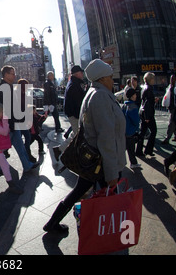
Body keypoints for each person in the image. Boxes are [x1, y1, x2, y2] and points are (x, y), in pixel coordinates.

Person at [43, 59, 126, 233]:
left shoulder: (94, 92)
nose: (113, 80)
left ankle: (53, 224)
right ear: (102, 79)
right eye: (110, 77)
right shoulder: (100, 96)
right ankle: (102, 231)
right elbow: (106, 136)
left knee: (79, 191)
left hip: (95, 158)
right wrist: (112, 172)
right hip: (101, 161)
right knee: (101, 196)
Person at [0, 65, 38, 173]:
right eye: (12, 73)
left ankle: (27, 165)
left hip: (12, 123)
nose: (14, 75)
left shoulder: (8, 86)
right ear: (6, 74)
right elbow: (7, 109)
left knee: (18, 147)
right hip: (9, 124)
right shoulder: (4, 88)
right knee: (1, 148)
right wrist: (11, 124)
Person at [52, 65, 86, 161]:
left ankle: (59, 150)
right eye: (81, 72)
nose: (82, 74)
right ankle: (71, 155)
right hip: (75, 114)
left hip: (74, 114)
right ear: (77, 73)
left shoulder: (74, 83)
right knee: (78, 135)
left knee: (75, 134)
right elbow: (78, 102)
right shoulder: (75, 84)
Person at [136, 72, 157, 157]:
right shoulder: (149, 89)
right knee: (153, 131)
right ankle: (148, 150)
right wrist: (148, 116)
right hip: (147, 114)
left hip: (143, 112)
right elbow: (147, 103)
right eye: (153, 79)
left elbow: (145, 101)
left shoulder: (144, 87)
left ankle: (139, 150)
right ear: (150, 79)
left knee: (143, 132)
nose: (154, 81)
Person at [123, 88, 141, 169]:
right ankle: (133, 163)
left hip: (124, 130)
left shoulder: (125, 105)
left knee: (124, 148)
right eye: (134, 94)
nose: (136, 95)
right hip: (131, 131)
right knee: (131, 149)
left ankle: (121, 162)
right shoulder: (133, 106)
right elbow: (136, 120)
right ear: (131, 96)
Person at [162, 74, 176, 145]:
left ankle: (168, 138)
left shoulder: (175, 87)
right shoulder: (171, 87)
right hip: (172, 107)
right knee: (174, 122)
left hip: (174, 107)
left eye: (173, 79)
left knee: (171, 123)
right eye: (171, 79)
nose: (172, 80)